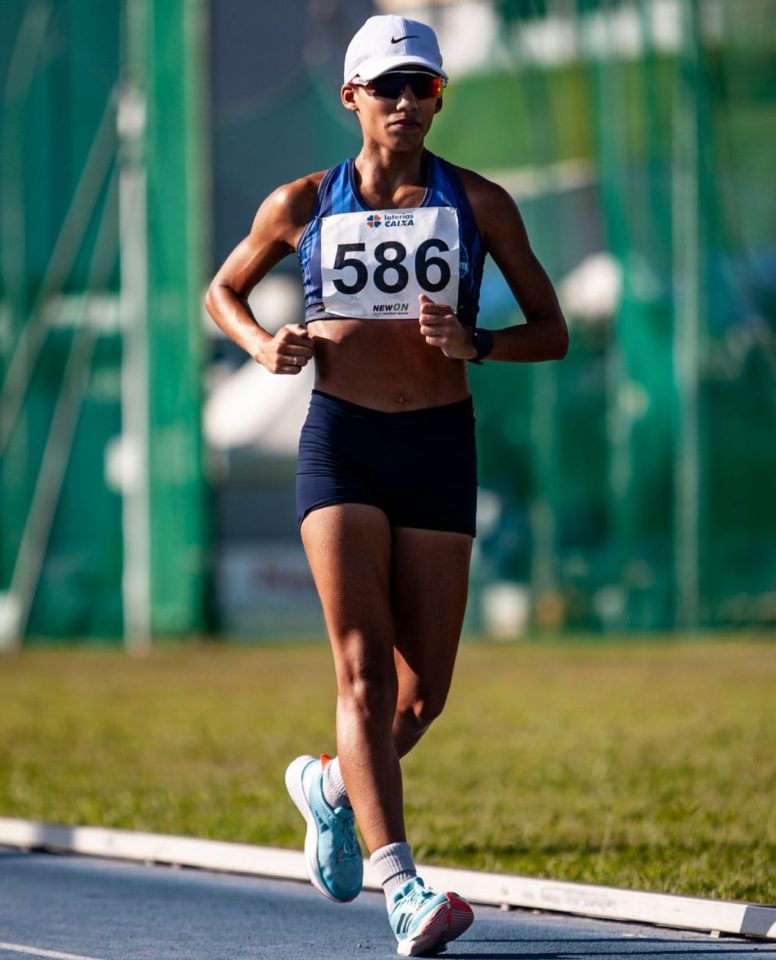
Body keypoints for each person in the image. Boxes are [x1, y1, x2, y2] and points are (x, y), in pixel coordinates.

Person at [206, 14, 568, 957]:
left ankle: (328, 785)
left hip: (440, 446)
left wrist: (477, 342)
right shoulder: (300, 203)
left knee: (419, 698)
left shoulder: (480, 203)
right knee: (362, 670)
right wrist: (261, 343)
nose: (406, 103)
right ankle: (401, 887)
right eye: (388, 87)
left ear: (439, 97)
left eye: (423, 88)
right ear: (352, 97)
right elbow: (223, 290)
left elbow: (552, 328)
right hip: (344, 446)